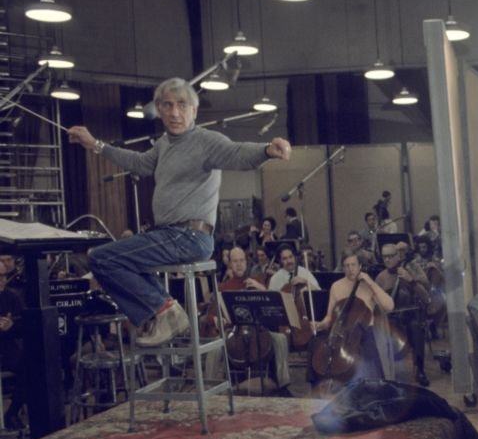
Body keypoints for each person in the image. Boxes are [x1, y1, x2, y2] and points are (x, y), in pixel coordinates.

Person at [67, 77, 292, 345]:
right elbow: (138, 163)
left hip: (189, 237)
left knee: (102, 259)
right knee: (112, 260)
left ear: (194, 111)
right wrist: (96, 145)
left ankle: (164, 311)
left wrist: (267, 150)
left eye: (182, 105)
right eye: (167, 105)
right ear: (159, 110)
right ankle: (164, 311)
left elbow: (237, 153)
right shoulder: (164, 144)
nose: (175, 113)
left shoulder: (206, 141)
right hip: (169, 235)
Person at [212, 247, 291, 395]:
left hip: (259, 331)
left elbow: (273, 306)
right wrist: (218, 319)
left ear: (246, 262)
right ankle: (210, 388)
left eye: (242, 260)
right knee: (214, 347)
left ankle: (283, 384)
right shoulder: (224, 287)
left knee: (280, 339)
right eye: (235, 261)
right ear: (230, 264)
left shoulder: (257, 281)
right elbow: (213, 314)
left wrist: (261, 289)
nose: (239, 264)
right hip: (234, 332)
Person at [315, 252, 395, 382]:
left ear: (360, 266)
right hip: (343, 333)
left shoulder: (368, 286)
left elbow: (389, 306)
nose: (350, 269)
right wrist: (321, 324)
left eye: (353, 265)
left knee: (372, 367)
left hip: (366, 332)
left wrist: (370, 283)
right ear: (342, 268)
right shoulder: (336, 286)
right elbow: (330, 316)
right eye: (346, 265)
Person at [376, 243, 431, 386]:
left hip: (410, 317)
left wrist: (411, 281)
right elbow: (376, 303)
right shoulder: (381, 278)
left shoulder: (409, 271)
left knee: (416, 328)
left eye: (390, 256)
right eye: (384, 257)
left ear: (398, 256)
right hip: (389, 320)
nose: (387, 260)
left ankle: (420, 370)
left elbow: (426, 298)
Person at [0, 262, 27, 429]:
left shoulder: (12, 296)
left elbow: (24, 323)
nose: (2, 280)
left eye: (3, 276)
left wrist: (12, 325)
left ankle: (12, 412)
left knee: (29, 366)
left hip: (6, 345)